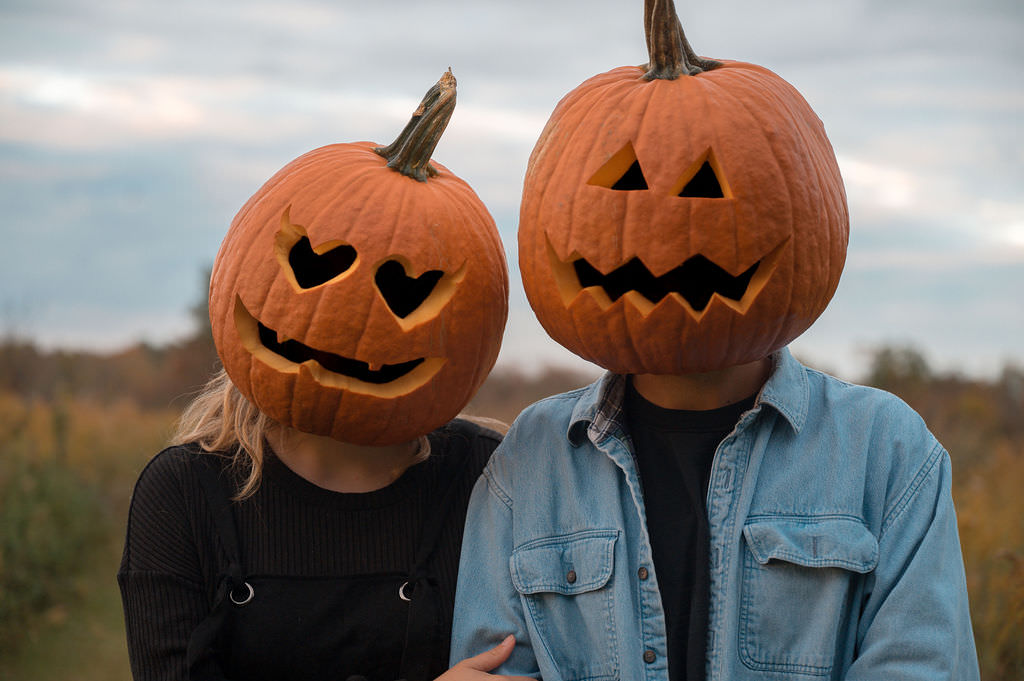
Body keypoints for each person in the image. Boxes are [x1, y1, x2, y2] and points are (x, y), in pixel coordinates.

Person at [449, 2, 980, 679]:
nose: (655, 224)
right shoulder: (532, 463)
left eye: (704, 185)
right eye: (623, 182)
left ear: (809, 203)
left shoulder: (887, 454)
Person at [118, 71, 530, 681]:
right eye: (312, 267)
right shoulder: (186, 495)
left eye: (405, 291)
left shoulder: (486, 483)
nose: (354, 315)